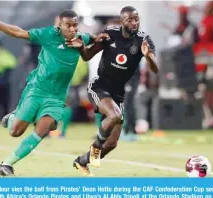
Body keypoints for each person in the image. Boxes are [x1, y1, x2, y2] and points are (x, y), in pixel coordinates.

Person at [0, 9, 106, 176]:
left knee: (44, 128)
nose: (72, 29)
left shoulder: (80, 38)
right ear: (59, 26)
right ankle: (12, 118)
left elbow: (92, 40)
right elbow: (19, 32)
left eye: (75, 26)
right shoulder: (48, 34)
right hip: (37, 90)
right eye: (68, 26)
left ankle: (7, 164)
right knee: (15, 131)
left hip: (57, 97)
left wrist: (98, 38)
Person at [67, 6, 159, 176]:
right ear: (122, 21)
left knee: (111, 143)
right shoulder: (110, 34)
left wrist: (148, 57)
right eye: (130, 20)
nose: (134, 23)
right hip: (99, 87)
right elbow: (87, 56)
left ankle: (81, 161)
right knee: (114, 116)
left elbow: (154, 69)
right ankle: (95, 147)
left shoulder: (143, 40)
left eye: (136, 19)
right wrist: (81, 48)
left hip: (118, 94)